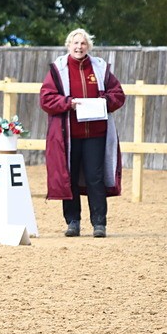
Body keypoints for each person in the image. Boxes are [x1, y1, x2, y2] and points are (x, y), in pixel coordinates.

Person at [39, 28, 125, 237]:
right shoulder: (58, 70)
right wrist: (68, 103)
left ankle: (99, 223)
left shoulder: (100, 69)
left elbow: (118, 94)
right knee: (69, 178)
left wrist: (104, 101)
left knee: (95, 178)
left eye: (83, 43)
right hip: (68, 136)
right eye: (75, 43)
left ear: (89, 46)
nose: (79, 47)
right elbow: (46, 99)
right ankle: (73, 222)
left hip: (96, 134)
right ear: (69, 45)